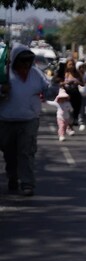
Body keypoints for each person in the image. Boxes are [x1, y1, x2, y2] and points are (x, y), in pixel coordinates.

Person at [0, 45, 49, 196]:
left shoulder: (36, 73)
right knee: (9, 153)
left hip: (29, 120)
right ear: (14, 60)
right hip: (6, 121)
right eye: (22, 61)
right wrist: (2, 90)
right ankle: (12, 176)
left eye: (29, 61)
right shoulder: (4, 73)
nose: (26, 65)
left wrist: (56, 86)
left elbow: (47, 89)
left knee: (26, 152)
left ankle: (27, 183)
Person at [58, 58, 85, 131]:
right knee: (67, 110)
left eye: (73, 64)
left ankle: (70, 125)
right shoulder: (64, 73)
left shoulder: (77, 73)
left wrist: (77, 82)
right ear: (66, 65)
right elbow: (59, 83)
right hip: (66, 94)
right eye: (70, 64)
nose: (71, 66)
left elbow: (83, 84)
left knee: (75, 110)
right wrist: (66, 83)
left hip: (75, 93)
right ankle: (67, 126)